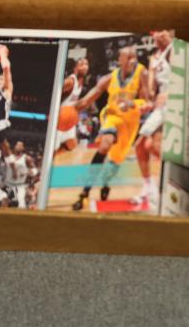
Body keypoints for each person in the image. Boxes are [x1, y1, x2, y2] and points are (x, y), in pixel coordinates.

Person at [71, 45, 151, 211]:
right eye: (127, 57)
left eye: (134, 57)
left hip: (130, 123)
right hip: (112, 117)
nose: (132, 60)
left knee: (115, 160)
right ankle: (84, 193)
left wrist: (131, 103)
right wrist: (69, 109)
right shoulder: (109, 78)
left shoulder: (142, 73)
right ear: (120, 60)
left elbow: (147, 101)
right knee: (104, 145)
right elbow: (87, 100)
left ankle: (106, 183)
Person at [134, 30, 172, 204]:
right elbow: (152, 91)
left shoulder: (174, 49)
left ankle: (165, 186)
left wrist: (170, 93)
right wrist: (147, 103)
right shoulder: (154, 58)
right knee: (144, 146)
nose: (157, 36)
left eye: (161, 32)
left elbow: (184, 77)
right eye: (154, 33)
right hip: (161, 105)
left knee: (151, 145)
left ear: (170, 33)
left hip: (174, 102)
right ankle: (150, 186)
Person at [56, 57, 88, 153]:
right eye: (82, 65)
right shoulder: (70, 81)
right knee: (56, 148)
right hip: (60, 118)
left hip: (68, 118)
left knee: (72, 145)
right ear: (75, 68)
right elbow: (54, 94)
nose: (85, 67)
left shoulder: (81, 81)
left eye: (86, 64)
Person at [4, 141, 36, 209]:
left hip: (21, 185)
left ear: (23, 148)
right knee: (6, 203)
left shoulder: (26, 158)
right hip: (9, 184)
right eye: (17, 145)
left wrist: (26, 172)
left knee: (21, 203)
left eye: (20, 145)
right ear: (14, 147)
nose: (18, 147)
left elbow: (35, 170)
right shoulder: (10, 157)